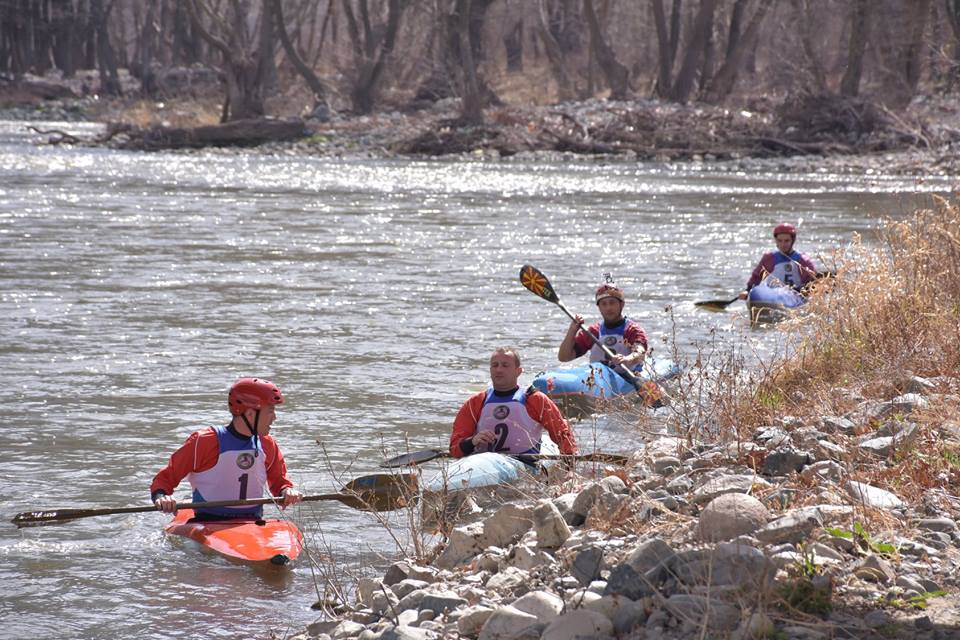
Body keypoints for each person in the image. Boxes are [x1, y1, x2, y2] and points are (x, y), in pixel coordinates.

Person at [151, 377, 303, 520]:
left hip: (252, 522)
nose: (274, 417)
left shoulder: (267, 444)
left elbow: (279, 482)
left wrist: (286, 491)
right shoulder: (204, 441)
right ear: (250, 413)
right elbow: (165, 479)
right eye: (270, 411)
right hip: (206, 521)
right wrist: (162, 496)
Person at [449, 347, 578, 459]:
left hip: (524, 464)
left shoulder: (535, 399)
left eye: (505, 365)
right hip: (483, 463)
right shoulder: (474, 403)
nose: (499, 370)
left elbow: (563, 435)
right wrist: (472, 441)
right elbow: (455, 449)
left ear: (518, 371)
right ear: (490, 370)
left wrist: (569, 470)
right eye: (495, 365)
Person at [557, 280, 648, 376]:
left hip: (628, 378)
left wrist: (627, 359)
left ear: (621, 305)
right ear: (599, 307)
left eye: (612, 303)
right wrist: (572, 331)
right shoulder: (593, 332)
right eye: (604, 304)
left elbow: (640, 353)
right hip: (599, 380)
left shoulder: (632, 330)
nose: (608, 308)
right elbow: (564, 357)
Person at [738, 223, 818, 299]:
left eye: (786, 241)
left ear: (792, 241)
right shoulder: (769, 258)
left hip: (795, 296)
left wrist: (804, 291)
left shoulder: (803, 260)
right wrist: (748, 290)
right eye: (780, 241)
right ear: (776, 240)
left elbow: (813, 283)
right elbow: (756, 277)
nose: (783, 244)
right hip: (773, 295)